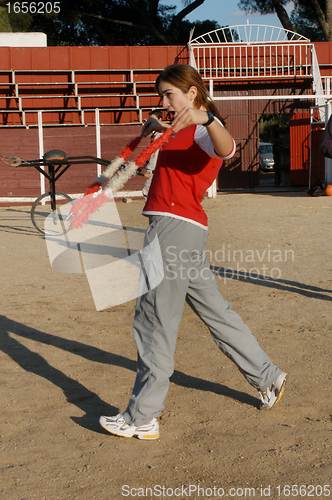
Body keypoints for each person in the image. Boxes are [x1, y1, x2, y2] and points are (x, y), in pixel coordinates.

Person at [99, 64, 288, 440]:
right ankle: (268, 376)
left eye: (169, 94)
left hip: (172, 230)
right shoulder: (177, 131)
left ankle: (142, 416)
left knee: (153, 321)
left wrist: (207, 116)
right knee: (216, 312)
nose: (164, 102)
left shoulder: (203, 128)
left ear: (191, 92)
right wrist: (157, 133)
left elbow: (228, 148)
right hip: (185, 231)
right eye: (162, 95)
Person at [142, 109, 167, 201]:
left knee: (147, 191)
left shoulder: (158, 134)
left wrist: (149, 169)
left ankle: (153, 214)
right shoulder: (159, 133)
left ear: (160, 119)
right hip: (160, 168)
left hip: (155, 169)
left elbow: (155, 153)